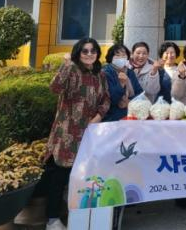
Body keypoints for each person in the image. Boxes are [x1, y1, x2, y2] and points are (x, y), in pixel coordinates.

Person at [43, 38, 110, 230]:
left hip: (90, 134)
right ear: (77, 53)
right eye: (84, 51)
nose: (89, 54)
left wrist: (98, 116)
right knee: (59, 176)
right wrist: (66, 65)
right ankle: (52, 220)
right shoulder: (72, 69)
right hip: (67, 133)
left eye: (93, 51)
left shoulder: (100, 74)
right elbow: (54, 88)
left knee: (82, 175)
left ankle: (76, 216)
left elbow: (106, 99)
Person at [101, 43, 143, 121]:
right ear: (111, 58)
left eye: (123, 55)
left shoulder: (130, 72)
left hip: (130, 115)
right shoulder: (105, 73)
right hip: (111, 118)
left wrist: (130, 102)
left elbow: (140, 93)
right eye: (117, 55)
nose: (121, 58)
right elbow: (109, 99)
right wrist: (121, 84)